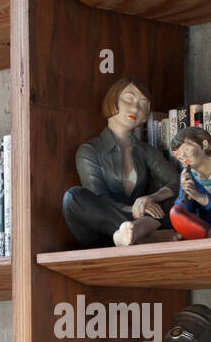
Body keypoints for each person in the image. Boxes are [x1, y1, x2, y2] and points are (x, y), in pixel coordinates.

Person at [62, 78, 179, 248]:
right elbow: (99, 198)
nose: (135, 108)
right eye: (129, 99)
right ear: (113, 100)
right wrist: (133, 210)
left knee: (182, 195)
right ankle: (139, 233)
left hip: (143, 219)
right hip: (104, 230)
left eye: (143, 104)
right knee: (72, 198)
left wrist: (150, 198)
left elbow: (175, 181)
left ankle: (136, 234)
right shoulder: (90, 150)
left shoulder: (146, 151)